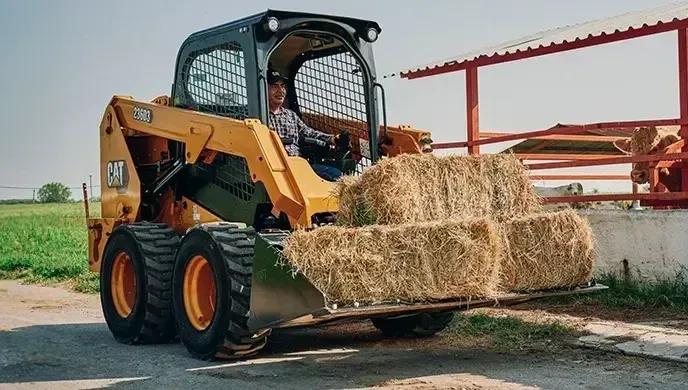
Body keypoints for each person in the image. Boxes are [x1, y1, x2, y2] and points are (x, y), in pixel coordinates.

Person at [266, 69, 343, 181]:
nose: (280, 91)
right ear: (264, 89)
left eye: (282, 86)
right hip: (274, 167)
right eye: (274, 86)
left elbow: (309, 132)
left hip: (297, 164)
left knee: (337, 174)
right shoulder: (258, 116)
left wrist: (332, 139)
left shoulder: (290, 115)